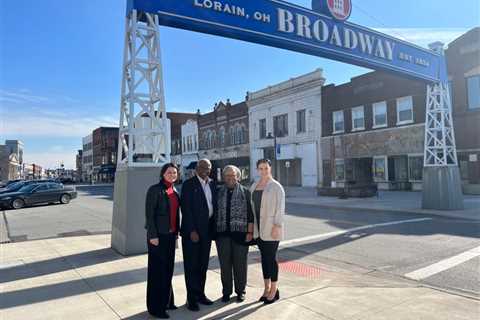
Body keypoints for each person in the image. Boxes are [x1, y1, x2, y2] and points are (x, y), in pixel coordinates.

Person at [145, 163, 180, 319]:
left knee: (168, 270)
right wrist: (153, 236)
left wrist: (177, 233)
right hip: (158, 237)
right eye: (169, 172)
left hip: (171, 236)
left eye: (174, 172)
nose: (172, 174)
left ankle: (168, 302)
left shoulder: (175, 190)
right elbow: (149, 215)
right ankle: (156, 307)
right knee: (157, 273)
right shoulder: (155, 190)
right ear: (163, 174)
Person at [180, 159, 217, 311]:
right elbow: (186, 209)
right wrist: (192, 230)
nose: (205, 170)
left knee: (203, 265)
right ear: (196, 168)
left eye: (208, 168)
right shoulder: (188, 185)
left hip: (207, 231)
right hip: (193, 233)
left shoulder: (213, 184)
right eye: (202, 167)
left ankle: (200, 294)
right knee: (191, 266)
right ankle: (191, 299)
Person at [215, 165, 254, 303]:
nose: (230, 178)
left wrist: (250, 232)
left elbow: (251, 214)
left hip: (241, 234)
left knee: (240, 265)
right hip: (223, 235)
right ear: (224, 177)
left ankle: (240, 291)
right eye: (227, 176)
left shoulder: (246, 192)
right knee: (225, 266)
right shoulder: (218, 192)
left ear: (238, 176)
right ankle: (226, 292)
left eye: (233, 175)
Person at [250, 159, 285, 304]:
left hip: (271, 229)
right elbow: (251, 208)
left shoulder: (276, 187)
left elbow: (280, 208)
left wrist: (277, 226)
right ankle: (266, 288)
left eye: (266, 168)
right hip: (259, 229)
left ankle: (274, 289)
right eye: (260, 168)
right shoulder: (254, 186)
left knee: (271, 258)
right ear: (257, 170)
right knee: (264, 258)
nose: (263, 171)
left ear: (270, 168)